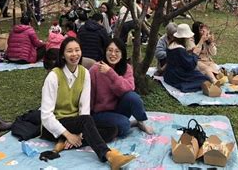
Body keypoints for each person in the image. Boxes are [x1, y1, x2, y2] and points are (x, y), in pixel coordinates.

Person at [40, 37, 136, 169]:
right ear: (62, 55)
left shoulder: (84, 73)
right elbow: (45, 116)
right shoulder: (53, 76)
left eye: (77, 50)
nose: (74, 54)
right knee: (87, 121)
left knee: (112, 130)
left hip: (77, 122)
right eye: (69, 51)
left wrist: (79, 133)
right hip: (54, 125)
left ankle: (63, 143)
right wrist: (68, 134)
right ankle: (110, 156)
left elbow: (84, 107)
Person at [90, 38, 154, 137]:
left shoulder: (127, 68)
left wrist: (110, 73)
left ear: (122, 53)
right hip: (100, 113)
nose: (113, 54)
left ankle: (140, 122)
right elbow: (89, 94)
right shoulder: (95, 69)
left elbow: (129, 88)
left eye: (117, 51)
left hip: (119, 109)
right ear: (105, 51)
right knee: (124, 126)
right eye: (110, 50)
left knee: (133, 97)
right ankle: (123, 124)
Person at [163, 23, 209, 92]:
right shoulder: (179, 49)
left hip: (169, 73)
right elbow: (190, 65)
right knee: (204, 79)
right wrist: (194, 54)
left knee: (200, 75)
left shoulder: (172, 44)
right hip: (178, 75)